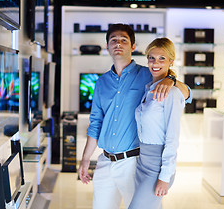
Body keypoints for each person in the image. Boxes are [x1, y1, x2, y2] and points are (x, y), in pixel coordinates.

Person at [78, 24, 191, 209]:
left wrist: (171, 80)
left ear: (133, 47)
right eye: (113, 40)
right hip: (105, 161)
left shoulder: (149, 74)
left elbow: (187, 94)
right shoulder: (101, 82)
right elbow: (95, 123)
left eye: (124, 40)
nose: (118, 44)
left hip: (133, 163)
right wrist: (85, 159)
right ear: (107, 46)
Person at [128, 38, 185, 209]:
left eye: (162, 58)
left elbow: (172, 138)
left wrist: (165, 176)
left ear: (171, 61)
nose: (155, 63)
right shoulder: (149, 89)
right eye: (151, 58)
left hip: (157, 167)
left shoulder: (172, 93)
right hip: (142, 163)